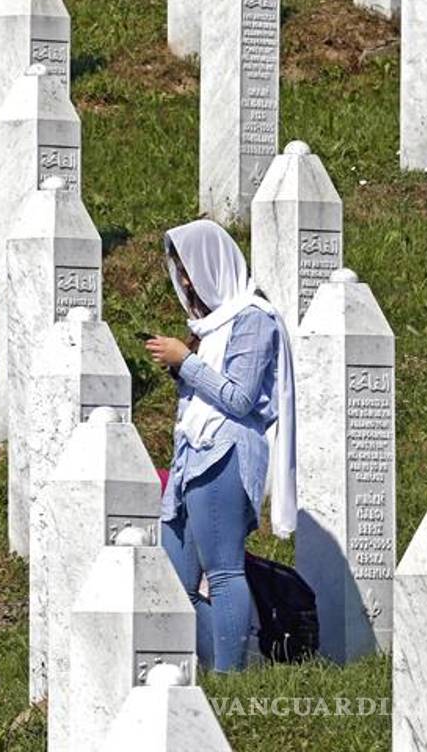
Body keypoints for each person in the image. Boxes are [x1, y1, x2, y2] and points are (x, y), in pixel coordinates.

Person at [143, 219, 296, 673]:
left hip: (225, 452)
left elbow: (240, 397)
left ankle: (232, 677)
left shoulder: (253, 319)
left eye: (190, 271)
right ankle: (237, 662)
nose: (185, 283)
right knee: (174, 582)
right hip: (193, 455)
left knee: (224, 570)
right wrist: (185, 365)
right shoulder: (211, 327)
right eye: (180, 275)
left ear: (213, 265)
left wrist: (185, 362)